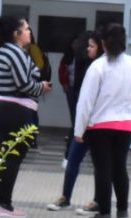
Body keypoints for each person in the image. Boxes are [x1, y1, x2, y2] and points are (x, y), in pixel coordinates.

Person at [73, 23, 131, 218]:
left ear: (102, 43)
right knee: (120, 168)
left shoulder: (97, 67)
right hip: (126, 126)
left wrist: (79, 131)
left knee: (103, 169)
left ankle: (104, 213)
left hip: (99, 127)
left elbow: (86, 101)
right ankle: (123, 211)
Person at [0, 15, 52, 218]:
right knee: (12, 157)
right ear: (16, 34)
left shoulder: (4, 52)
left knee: (5, 155)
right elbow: (24, 85)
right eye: (26, 29)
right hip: (13, 110)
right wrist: (42, 87)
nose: (29, 33)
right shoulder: (14, 52)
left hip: (5, 108)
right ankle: (3, 204)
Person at [47, 30, 105, 213]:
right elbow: (82, 100)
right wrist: (79, 127)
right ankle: (65, 198)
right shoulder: (83, 65)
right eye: (87, 46)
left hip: (100, 124)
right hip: (84, 123)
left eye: (92, 46)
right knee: (73, 159)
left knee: (100, 164)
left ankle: (97, 201)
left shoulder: (104, 67)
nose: (88, 49)